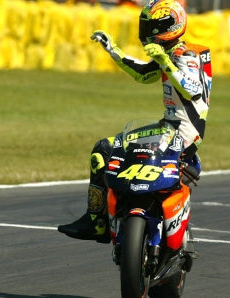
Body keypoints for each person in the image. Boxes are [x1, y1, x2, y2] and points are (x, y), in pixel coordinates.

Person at [58, 0, 212, 243]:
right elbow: (143, 74)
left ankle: (109, 221)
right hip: (168, 128)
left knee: (109, 151)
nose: (148, 32)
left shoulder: (187, 55)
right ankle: (99, 220)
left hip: (183, 136)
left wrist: (165, 62)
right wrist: (114, 50)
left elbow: (192, 89)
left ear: (169, 26)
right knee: (104, 151)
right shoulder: (171, 55)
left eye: (152, 26)